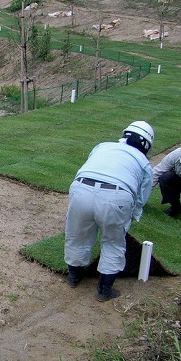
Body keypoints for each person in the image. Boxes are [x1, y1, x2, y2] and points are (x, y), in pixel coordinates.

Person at [65, 121, 154, 302]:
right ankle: (104, 290)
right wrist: (132, 215)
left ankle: (74, 277)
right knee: (113, 242)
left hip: (80, 189)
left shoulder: (103, 146)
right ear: (146, 144)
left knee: (77, 235)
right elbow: (142, 195)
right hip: (117, 196)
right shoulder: (143, 162)